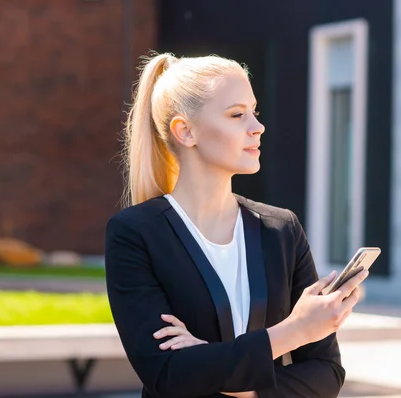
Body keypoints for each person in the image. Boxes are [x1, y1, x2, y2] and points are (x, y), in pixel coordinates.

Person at [104, 52, 368, 398]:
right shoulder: (135, 233)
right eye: (237, 114)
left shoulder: (282, 229)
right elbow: (168, 374)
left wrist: (234, 383)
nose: (257, 126)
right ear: (185, 131)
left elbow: (326, 375)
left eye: (254, 112)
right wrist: (295, 331)